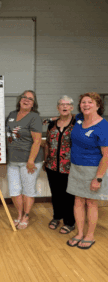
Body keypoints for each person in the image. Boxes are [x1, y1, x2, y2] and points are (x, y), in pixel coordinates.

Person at [66, 92, 108, 249]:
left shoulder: (103, 126)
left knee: (91, 202)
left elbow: (106, 155)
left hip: (93, 169)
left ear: (98, 105)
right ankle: (80, 233)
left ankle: (90, 235)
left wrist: (98, 178)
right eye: (83, 102)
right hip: (76, 167)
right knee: (78, 201)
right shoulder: (78, 120)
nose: (86, 105)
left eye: (90, 102)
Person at [6, 90, 43, 229]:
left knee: (28, 190)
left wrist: (31, 160)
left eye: (30, 99)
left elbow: (37, 141)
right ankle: (19, 214)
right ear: (20, 100)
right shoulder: (11, 115)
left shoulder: (34, 117)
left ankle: (26, 216)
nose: (26, 100)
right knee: (14, 190)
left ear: (33, 104)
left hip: (29, 161)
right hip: (13, 161)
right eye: (24, 97)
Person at [44, 95, 76, 234]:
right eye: (61, 104)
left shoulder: (77, 123)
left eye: (67, 104)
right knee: (56, 193)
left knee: (69, 195)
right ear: (57, 108)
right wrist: (46, 161)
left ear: (71, 107)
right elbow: (47, 144)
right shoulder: (52, 124)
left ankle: (70, 222)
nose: (64, 106)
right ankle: (57, 217)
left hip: (70, 166)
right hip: (52, 166)